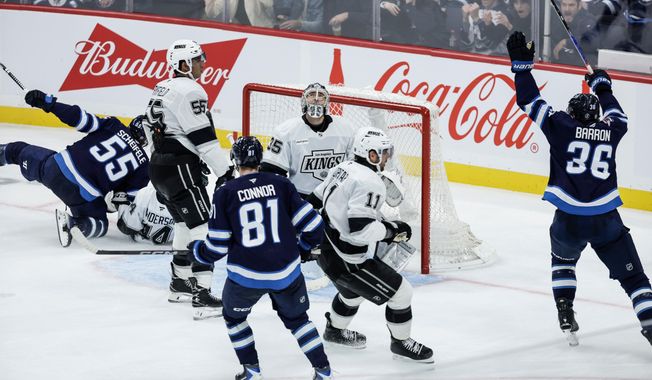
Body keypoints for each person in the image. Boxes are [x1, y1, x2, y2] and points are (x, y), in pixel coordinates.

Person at [506, 31, 652, 347]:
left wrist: (521, 68)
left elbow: (529, 100)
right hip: (605, 220)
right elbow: (619, 115)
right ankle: (651, 326)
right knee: (635, 280)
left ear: (572, 114)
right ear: (596, 114)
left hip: (567, 219)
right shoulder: (611, 129)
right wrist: (602, 86)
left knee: (563, 261)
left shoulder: (560, 125)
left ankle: (564, 310)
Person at [188, 136, 332, 380]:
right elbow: (316, 226)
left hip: (246, 277)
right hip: (287, 273)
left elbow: (217, 248)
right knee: (298, 320)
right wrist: (303, 248)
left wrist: (197, 251)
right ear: (260, 159)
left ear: (234, 161)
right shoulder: (281, 184)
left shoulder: (225, 192)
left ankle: (252, 371)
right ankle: (323, 371)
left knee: (234, 318)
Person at [309, 127, 434, 363]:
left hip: (326, 249)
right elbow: (360, 228)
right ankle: (401, 343)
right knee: (401, 293)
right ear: (371, 154)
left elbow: (313, 200)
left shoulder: (342, 168)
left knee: (352, 294)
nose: (387, 157)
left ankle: (334, 331)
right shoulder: (370, 181)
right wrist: (393, 231)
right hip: (348, 259)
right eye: (384, 152)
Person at [143, 39, 232, 320]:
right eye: (198, 59)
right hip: (180, 168)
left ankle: (179, 282)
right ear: (184, 64)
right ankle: (203, 294)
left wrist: (162, 164)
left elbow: (149, 130)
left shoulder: (162, 87)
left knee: (183, 223)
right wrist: (226, 172)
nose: (203, 63)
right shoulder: (192, 90)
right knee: (202, 227)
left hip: (160, 166)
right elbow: (204, 140)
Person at [0, 90, 149, 246]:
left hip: (55, 169)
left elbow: (78, 118)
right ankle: (75, 225)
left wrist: (49, 103)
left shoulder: (113, 125)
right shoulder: (143, 166)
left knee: (16, 150)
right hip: (82, 197)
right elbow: (123, 202)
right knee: (100, 224)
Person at [260, 83, 357, 201]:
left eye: (321, 96)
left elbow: (356, 168)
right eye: (311, 95)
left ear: (326, 102)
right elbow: (271, 171)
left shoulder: (346, 127)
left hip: (336, 196)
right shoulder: (286, 131)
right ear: (304, 100)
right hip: (300, 197)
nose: (316, 99)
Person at [107, 185, 175, 245]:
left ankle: (115, 202)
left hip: (139, 237)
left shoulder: (146, 193)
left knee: (126, 225)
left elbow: (128, 227)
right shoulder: (183, 198)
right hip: (172, 241)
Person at [550, 0, 598, 65]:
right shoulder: (554, 18)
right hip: (555, 66)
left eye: (571, 5)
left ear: (579, 6)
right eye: (564, 5)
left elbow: (592, 41)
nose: (567, 9)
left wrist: (567, 42)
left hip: (579, 68)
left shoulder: (588, 20)